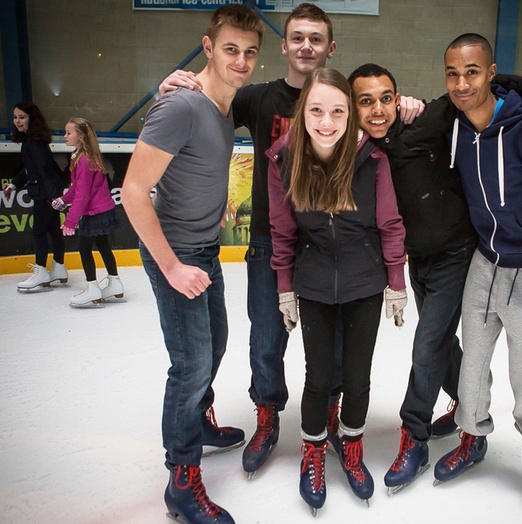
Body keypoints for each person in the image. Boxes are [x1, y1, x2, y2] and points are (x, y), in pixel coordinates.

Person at [347, 63, 522, 495]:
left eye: (386, 97)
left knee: (428, 345)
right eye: (365, 101)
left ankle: (415, 438)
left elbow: (481, 85)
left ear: (398, 97)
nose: (379, 109)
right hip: (417, 261)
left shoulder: (426, 120)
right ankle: (465, 402)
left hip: (456, 254)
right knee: (443, 344)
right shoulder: (360, 149)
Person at [159, 4, 349, 477]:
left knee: (334, 342)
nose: (306, 46)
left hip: (330, 244)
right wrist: (172, 82)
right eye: (297, 37)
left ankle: (329, 414)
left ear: (330, 48)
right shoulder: (259, 99)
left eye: (316, 39)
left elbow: (388, 108)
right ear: (284, 46)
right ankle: (268, 417)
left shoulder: (340, 98)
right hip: (269, 242)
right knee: (266, 339)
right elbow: (210, 95)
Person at [120, 6, 263, 524]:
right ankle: (181, 479)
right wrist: (173, 269)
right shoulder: (181, 105)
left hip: (203, 249)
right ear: (208, 48)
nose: (241, 61)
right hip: (175, 254)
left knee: (216, 343)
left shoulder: (224, 107)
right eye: (230, 49)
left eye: (250, 52)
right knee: (190, 364)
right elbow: (133, 193)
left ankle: (197, 423)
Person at [432, 34, 522, 514]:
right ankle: (472, 437)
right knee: (472, 362)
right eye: (452, 73)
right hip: (484, 265)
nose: (461, 82)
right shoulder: (455, 126)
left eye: (472, 71)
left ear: (492, 73)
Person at [266, 67, 407, 514]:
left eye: (338, 111)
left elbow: (389, 224)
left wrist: (396, 285)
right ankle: (312, 451)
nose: (327, 121)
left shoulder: (372, 160)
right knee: (319, 376)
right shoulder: (283, 160)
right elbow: (282, 233)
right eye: (317, 110)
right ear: (302, 111)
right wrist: (285, 289)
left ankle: (351, 445)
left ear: (350, 115)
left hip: (365, 282)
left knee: (358, 376)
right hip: (313, 283)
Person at [52, 117, 123, 307]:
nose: (65, 136)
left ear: (81, 137)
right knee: (102, 244)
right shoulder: (82, 156)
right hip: (101, 209)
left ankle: (92, 288)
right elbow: (77, 188)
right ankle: (115, 282)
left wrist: (70, 221)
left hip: (95, 212)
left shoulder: (84, 160)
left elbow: (83, 195)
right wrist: (63, 200)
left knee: (84, 248)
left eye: (69, 132)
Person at [5, 102, 67, 291]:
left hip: (44, 194)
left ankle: (41, 271)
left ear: (32, 119)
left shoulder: (33, 143)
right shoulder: (33, 141)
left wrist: (51, 197)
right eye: (15, 117)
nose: (17, 121)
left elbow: (45, 169)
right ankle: (59, 267)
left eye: (22, 117)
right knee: (53, 230)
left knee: (39, 231)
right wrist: (15, 184)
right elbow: (30, 169)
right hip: (48, 192)